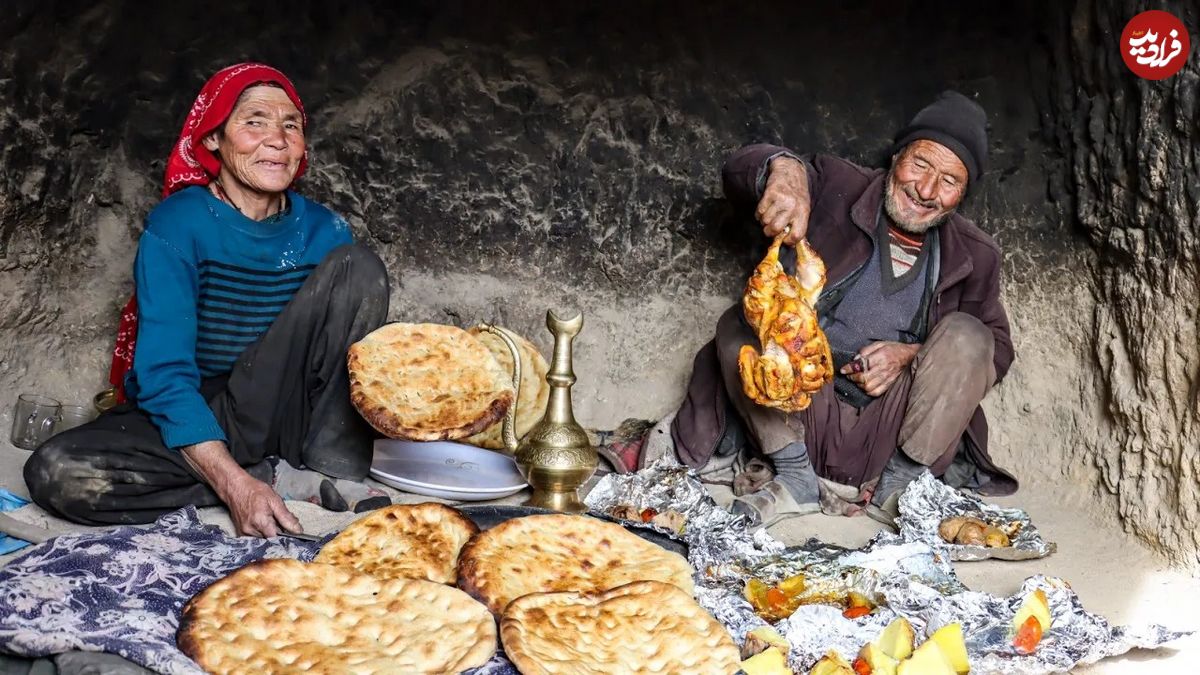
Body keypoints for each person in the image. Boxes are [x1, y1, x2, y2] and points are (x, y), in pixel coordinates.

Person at [24, 63, 391, 538]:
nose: (276, 139)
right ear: (213, 139)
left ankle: (329, 472)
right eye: (254, 121)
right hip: (203, 408)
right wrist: (236, 484)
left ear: (303, 145)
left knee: (359, 265)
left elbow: (342, 366)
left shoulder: (328, 233)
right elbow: (164, 375)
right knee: (59, 473)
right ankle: (269, 477)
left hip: (288, 415)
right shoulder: (178, 225)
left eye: (290, 125)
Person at [668, 91, 1018, 526]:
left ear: (962, 194)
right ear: (896, 157)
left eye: (949, 182)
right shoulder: (837, 185)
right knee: (743, 324)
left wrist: (913, 355)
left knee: (969, 335)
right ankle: (795, 478)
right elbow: (739, 170)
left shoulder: (975, 254)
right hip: (801, 413)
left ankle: (900, 490)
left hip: (891, 432)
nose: (926, 190)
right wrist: (785, 168)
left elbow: (996, 349)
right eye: (921, 165)